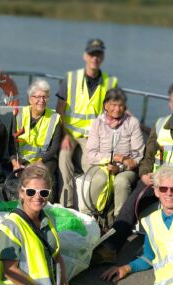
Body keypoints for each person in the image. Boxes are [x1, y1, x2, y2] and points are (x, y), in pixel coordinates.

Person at [93, 81, 173, 264]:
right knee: (134, 201)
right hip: (156, 180)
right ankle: (111, 247)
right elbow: (148, 156)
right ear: (170, 103)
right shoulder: (160, 124)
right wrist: (144, 173)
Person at [56, 38, 119, 208]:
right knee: (64, 161)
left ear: (102, 57)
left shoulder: (110, 82)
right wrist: (64, 135)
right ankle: (65, 207)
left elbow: (116, 111)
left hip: (93, 138)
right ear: (85, 56)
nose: (95, 58)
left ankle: (89, 211)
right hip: (69, 134)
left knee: (95, 172)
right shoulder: (70, 78)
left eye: (98, 54)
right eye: (92, 54)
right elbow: (59, 109)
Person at [84, 88, 144, 218]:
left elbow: (137, 155)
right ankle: (91, 215)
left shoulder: (132, 123)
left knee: (121, 181)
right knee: (100, 179)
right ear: (105, 105)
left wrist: (120, 167)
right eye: (113, 105)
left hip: (127, 169)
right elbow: (91, 154)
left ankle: (119, 220)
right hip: (101, 165)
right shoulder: (97, 123)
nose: (117, 109)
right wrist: (114, 158)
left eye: (121, 105)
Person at [10, 79, 62, 182]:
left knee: (41, 176)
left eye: (45, 97)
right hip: (23, 159)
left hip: (45, 160)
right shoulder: (19, 115)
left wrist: (37, 163)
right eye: (38, 97)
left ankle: (47, 197)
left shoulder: (55, 118)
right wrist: (15, 164)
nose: (42, 100)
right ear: (30, 99)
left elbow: (54, 148)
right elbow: (11, 146)